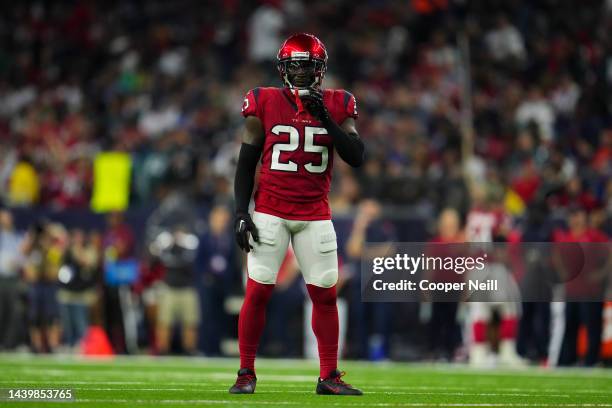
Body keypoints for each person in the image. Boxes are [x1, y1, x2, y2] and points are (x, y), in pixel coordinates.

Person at [230, 33, 364, 395]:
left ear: (320, 69)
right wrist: (241, 212)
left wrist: (326, 119)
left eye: (308, 66)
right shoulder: (265, 101)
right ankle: (245, 372)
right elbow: (246, 163)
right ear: (283, 68)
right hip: (270, 211)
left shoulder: (339, 103)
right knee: (257, 292)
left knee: (325, 295)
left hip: (315, 214)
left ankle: (329, 376)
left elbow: (356, 156)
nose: (302, 73)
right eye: (295, 66)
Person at [0, 209, 24, 350]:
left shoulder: (16, 236)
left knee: (13, 311)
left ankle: (9, 344)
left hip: (12, 279)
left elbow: (21, 256)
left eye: (8, 218)